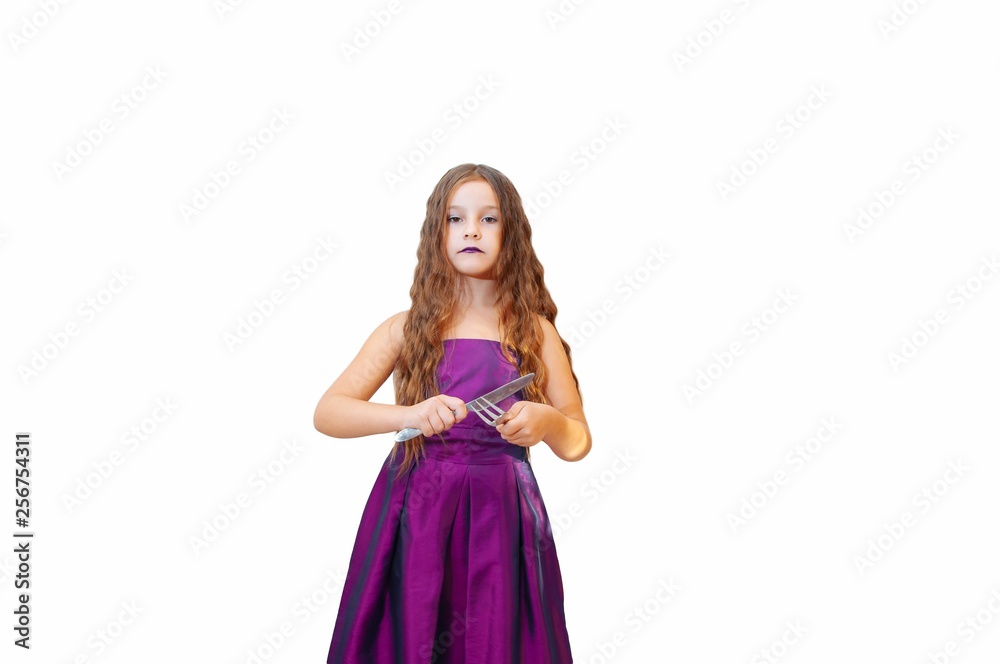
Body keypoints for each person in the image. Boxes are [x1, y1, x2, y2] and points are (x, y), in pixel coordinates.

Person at [315, 163, 591, 663]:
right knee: (414, 630)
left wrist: (546, 421)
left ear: (512, 233)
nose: (470, 229)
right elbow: (330, 413)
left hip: (502, 514)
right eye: (454, 218)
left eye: (489, 219)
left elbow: (577, 441)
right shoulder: (405, 328)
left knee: (495, 637)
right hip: (416, 511)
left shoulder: (535, 332)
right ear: (436, 233)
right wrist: (410, 415)